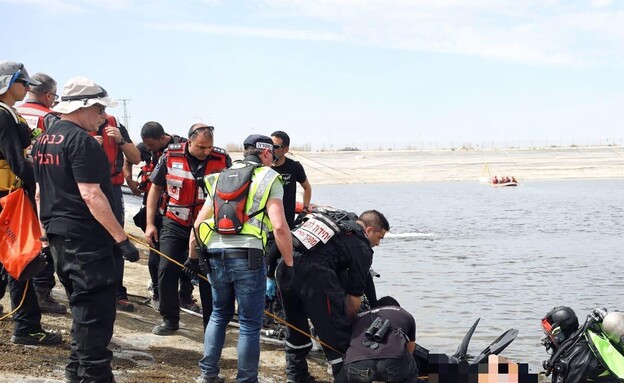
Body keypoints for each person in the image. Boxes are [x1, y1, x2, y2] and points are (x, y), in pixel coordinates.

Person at [32, 76, 140, 383]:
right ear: (84, 107)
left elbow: (40, 193)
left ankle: (75, 372)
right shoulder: (82, 143)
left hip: (58, 237)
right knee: (96, 312)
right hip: (85, 242)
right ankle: (93, 375)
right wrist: (122, 240)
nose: (103, 117)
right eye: (99, 110)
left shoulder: (44, 140)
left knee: (81, 308)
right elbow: (92, 194)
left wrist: (44, 234)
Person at [190, 134, 294, 383]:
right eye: (274, 154)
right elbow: (279, 227)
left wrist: (192, 257)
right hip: (248, 256)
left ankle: (208, 375)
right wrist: (289, 263)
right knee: (248, 323)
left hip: (215, 254)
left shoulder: (217, 177)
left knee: (218, 314)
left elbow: (198, 223)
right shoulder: (269, 178)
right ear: (266, 153)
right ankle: (247, 380)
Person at [277, 208, 390, 382]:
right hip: (315, 274)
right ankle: (343, 377)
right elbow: (354, 297)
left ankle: (296, 376)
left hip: (285, 266)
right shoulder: (361, 246)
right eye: (379, 237)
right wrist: (350, 323)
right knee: (337, 333)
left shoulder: (337, 221)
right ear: (369, 230)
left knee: (295, 326)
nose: (378, 243)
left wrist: (270, 274)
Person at [145, 123, 230, 334]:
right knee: (166, 268)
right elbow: (155, 190)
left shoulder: (221, 160)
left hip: (206, 226)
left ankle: (211, 325)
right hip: (175, 222)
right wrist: (150, 223)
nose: (206, 152)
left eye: (209, 147)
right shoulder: (170, 156)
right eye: (201, 147)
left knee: (207, 274)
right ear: (189, 142)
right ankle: (170, 319)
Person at [0, 60, 62, 346]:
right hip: (8, 198)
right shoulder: (3, 115)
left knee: (8, 260)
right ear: (7, 82)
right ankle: (26, 328)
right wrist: (48, 183)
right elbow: (16, 161)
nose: (27, 87)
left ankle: (26, 325)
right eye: (23, 82)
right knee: (21, 259)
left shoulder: (9, 113)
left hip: (7, 196)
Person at [15, 72, 66, 315]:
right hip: (39, 186)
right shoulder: (51, 118)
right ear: (48, 95)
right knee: (42, 238)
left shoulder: (13, 113)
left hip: (10, 187)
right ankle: (41, 292)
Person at [124, 121, 188, 311]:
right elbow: (129, 159)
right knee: (155, 252)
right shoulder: (146, 147)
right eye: (146, 145)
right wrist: (129, 180)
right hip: (153, 208)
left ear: (163, 138)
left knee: (183, 255)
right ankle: (158, 293)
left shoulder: (182, 146)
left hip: (177, 209)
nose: (148, 148)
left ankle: (185, 294)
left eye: (152, 145)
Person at [93, 114, 141, 311]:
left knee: (117, 241)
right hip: (84, 188)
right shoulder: (71, 125)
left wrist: (121, 140)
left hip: (112, 188)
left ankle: (117, 293)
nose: (101, 112)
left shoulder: (115, 125)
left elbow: (136, 158)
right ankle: (92, 292)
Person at [335, 296, 418, 383]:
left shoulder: (359, 316)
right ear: (397, 307)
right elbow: (410, 350)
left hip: (357, 363)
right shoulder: (405, 314)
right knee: (412, 369)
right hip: (393, 363)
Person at [541, 306, 623, 383]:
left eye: (549, 334)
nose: (546, 338)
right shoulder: (585, 338)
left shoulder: (573, 360)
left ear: (559, 335)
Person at [270, 131, 312, 228]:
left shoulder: (294, 167)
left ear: (285, 149)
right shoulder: (264, 168)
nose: (271, 149)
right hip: (267, 222)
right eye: (270, 146)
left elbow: (307, 187)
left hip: (287, 222)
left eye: (275, 147)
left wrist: (305, 208)